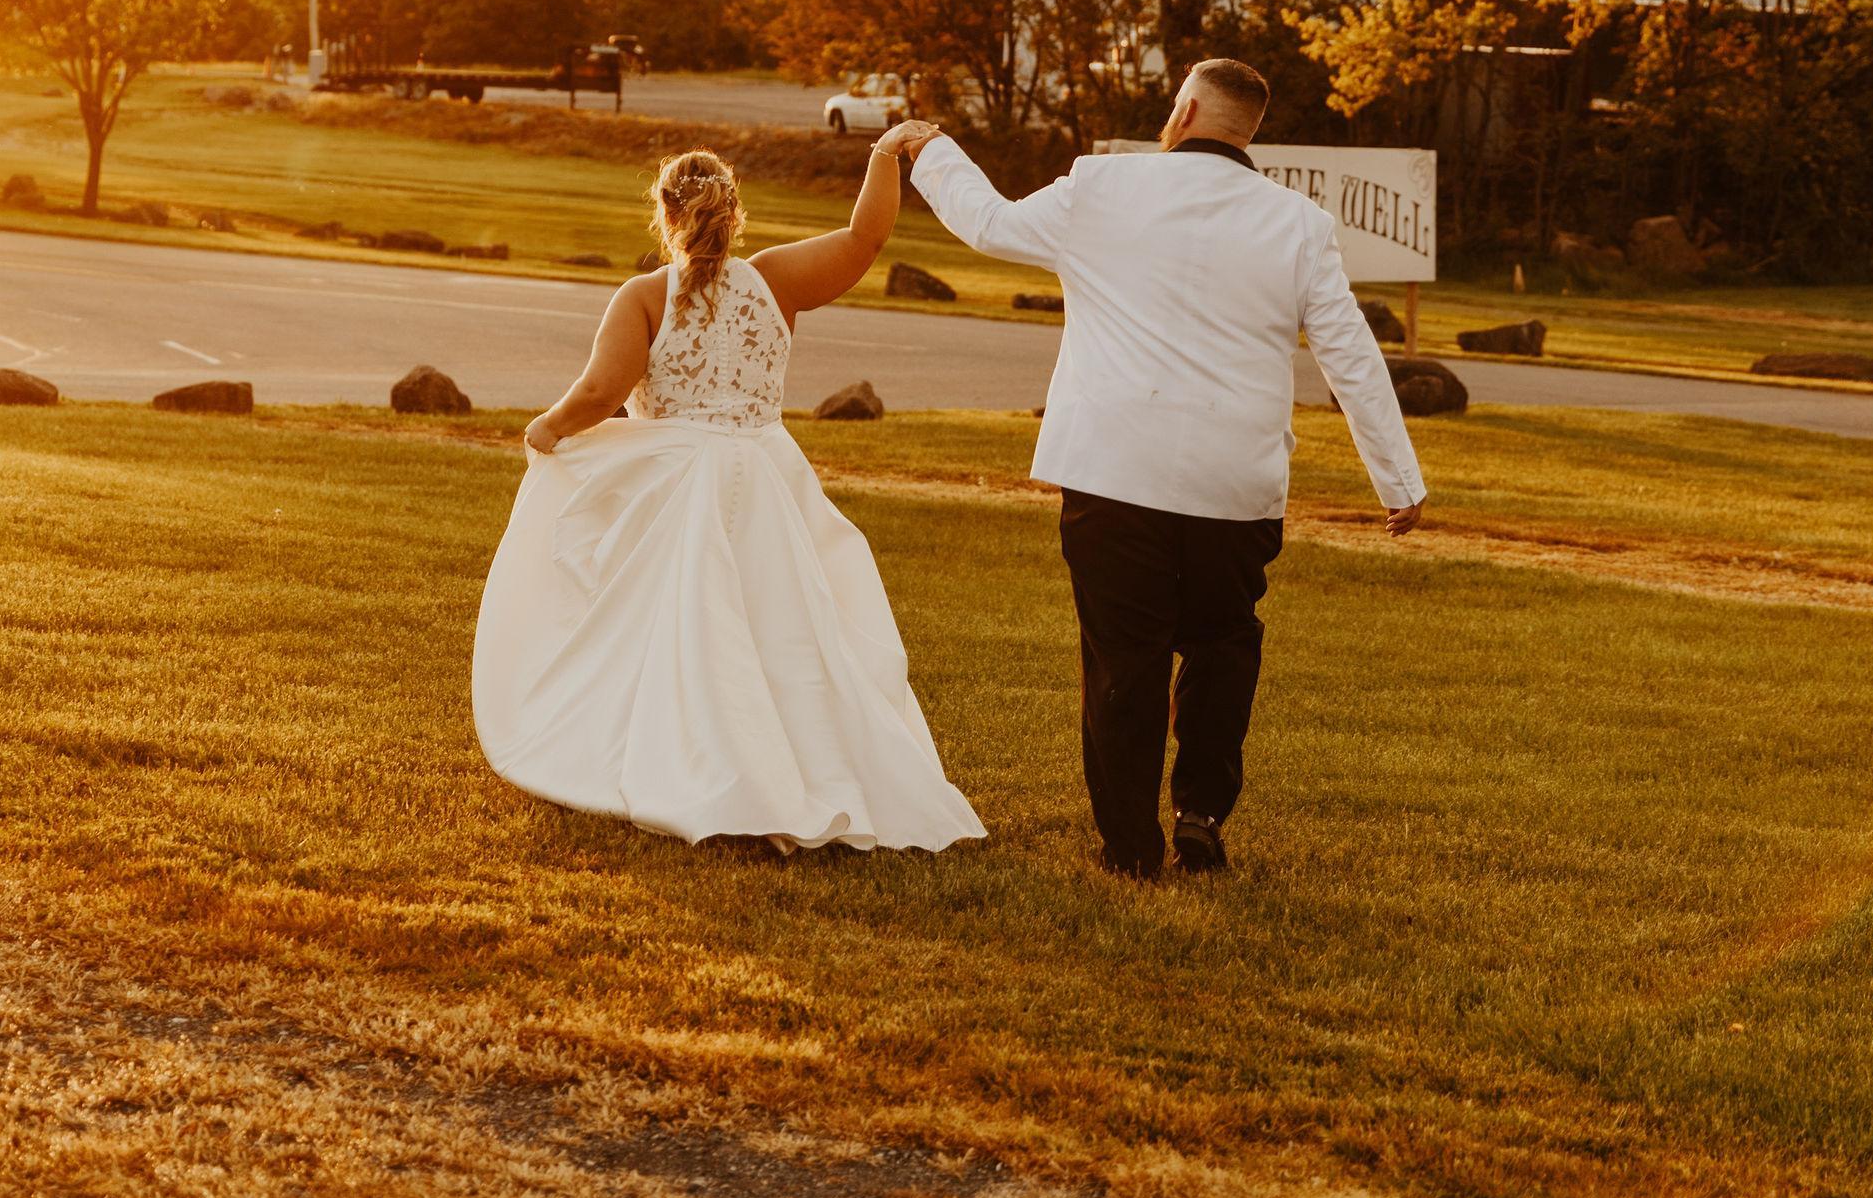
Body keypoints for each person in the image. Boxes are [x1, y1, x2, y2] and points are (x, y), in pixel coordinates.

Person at [905, 59, 1426, 879]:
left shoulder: (1101, 188)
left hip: (1114, 472)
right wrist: (1398, 482)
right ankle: (1201, 813)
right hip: (1235, 483)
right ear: (1248, 133)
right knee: (1224, 644)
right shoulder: (1299, 225)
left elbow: (989, 223)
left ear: (1183, 111)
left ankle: (1130, 847)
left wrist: (931, 148)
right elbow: (1351, 358)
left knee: (1124, 657)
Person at [470, 125, 984, 853]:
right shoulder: (776, 280)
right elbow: (865, 239)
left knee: (673, 626)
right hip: (765, 475)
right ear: (734, 210)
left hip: (677, 483)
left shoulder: (646, 296)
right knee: (780, 629)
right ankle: (801, 770)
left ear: (664, 213)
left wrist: (545, 429)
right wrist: (882, 156)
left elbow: (599, 393)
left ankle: (693, 766)